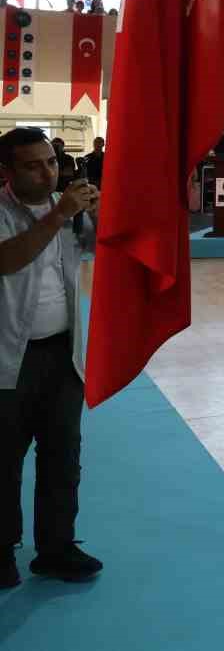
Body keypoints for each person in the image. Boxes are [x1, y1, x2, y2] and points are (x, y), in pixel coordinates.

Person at [0, 127, 102, 588]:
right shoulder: (5, 212)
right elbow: (7, 260)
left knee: (63, 457)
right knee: (3, 461)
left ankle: (56, 547)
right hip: (7, 360)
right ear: (7, 171)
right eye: (33, 165)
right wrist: (59, 214)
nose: (48, 172)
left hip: (63, 356)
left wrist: (102, 217)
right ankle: (1, 551)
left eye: (51, 162)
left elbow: (102, 250)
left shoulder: (72, 211)